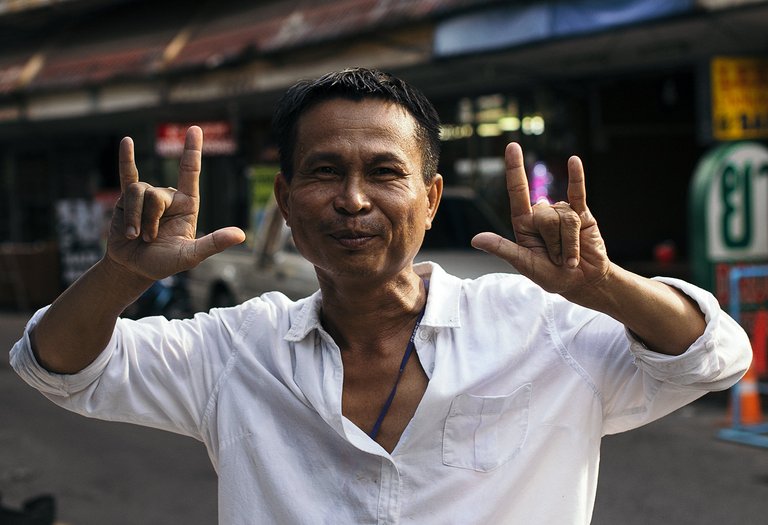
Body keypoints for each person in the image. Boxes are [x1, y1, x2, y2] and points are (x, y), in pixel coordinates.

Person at [11, 68, 751, 524]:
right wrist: (122, 275)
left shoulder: (538, 328)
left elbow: (712, 356)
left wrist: (606, 284)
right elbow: (59, 366)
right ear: (289, 202)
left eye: (385, 174)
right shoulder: (235, 349)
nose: (354, 200)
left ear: (430, 199)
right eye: (326, 171)